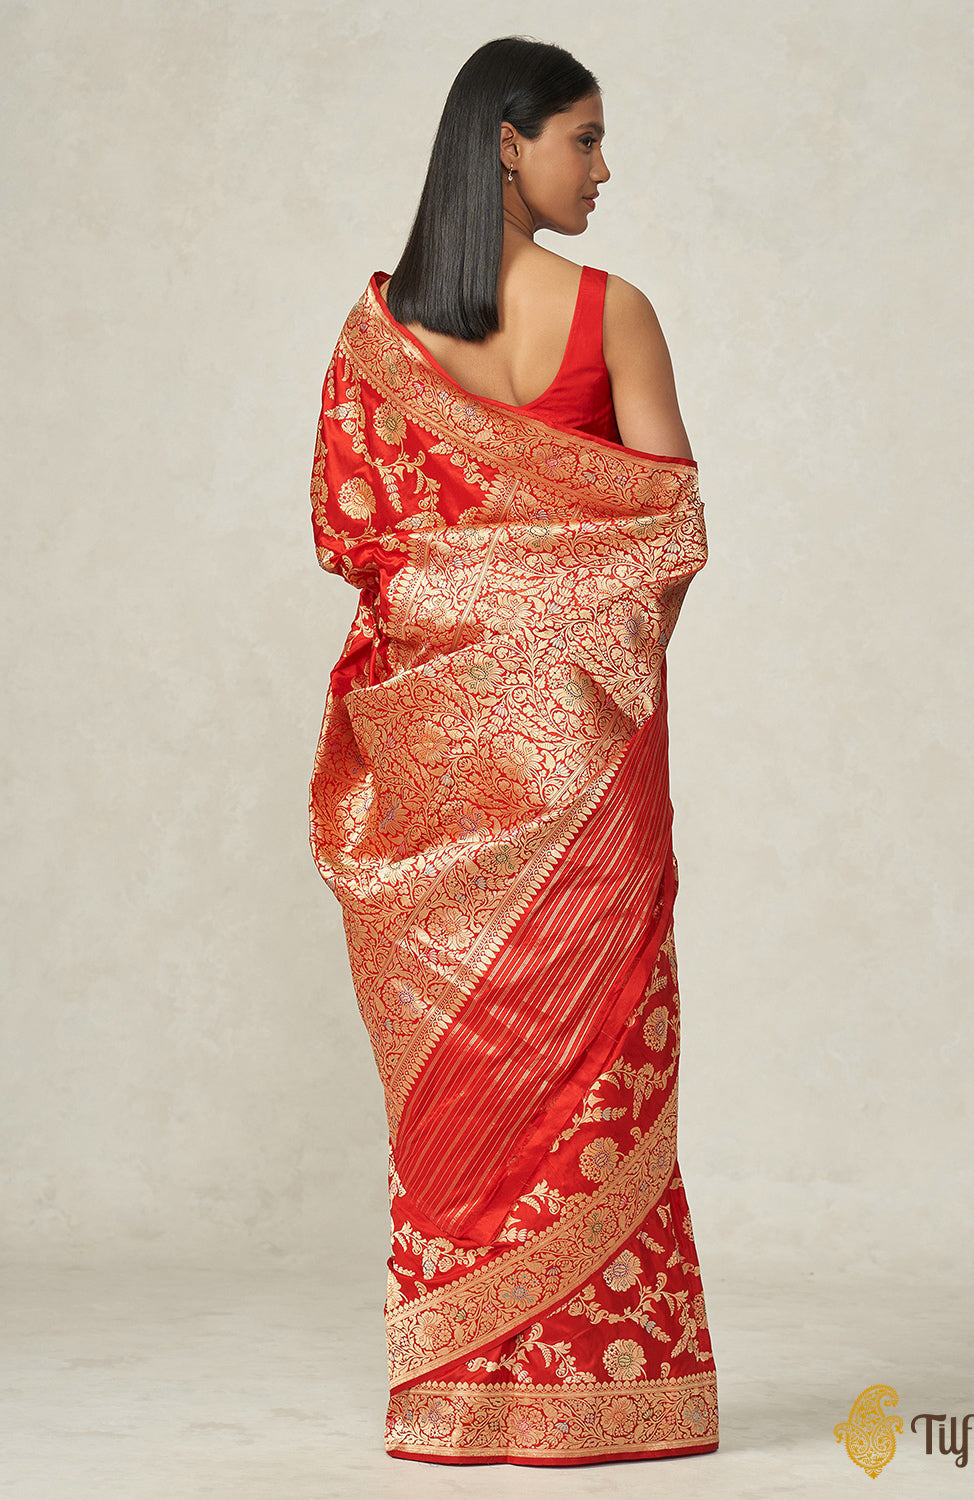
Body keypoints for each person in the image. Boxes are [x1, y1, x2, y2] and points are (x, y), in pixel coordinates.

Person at [308, 35, 719, 1468]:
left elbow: (363, 550)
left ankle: (469, 1403)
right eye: (583, 139)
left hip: (444, 761)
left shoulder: (376, 343)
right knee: (586, 1054)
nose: (603, 170)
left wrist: (475, 614)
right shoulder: (613, 315)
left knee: (494, 1055)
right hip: (591, 758)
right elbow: (670, 535)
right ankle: (603, 1392)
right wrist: (563, 643)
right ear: (505, 140)